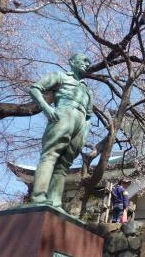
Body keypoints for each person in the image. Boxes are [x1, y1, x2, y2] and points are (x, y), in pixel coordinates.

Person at [29, 54, 93, 209]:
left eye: (88, 62)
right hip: (64, 112)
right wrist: (46, 108)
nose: (87, 63)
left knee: (64, 164)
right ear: (72, 62)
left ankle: (55, 201)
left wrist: (85, 131)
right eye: (83, 60)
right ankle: (38, 196)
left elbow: (89, 114)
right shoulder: (60, 76)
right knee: (50, 155)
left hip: (81, 120)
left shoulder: (87, 89)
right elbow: (35, 88)